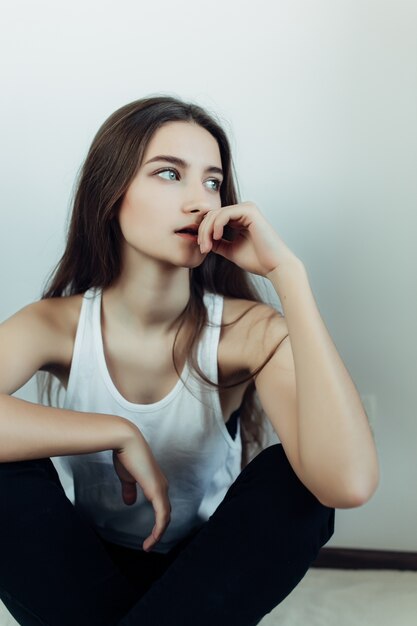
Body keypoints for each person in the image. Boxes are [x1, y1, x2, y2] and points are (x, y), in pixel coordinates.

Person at [0, 95, 379, 626]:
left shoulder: (248, 333)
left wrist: (289, 275)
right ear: (111, 193)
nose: (200, 201)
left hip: (202, 580)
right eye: (169, 174)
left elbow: (348, 484)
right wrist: (113, 430)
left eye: (212, 181)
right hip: (83, 574)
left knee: (299, 484)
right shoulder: (56, 324)